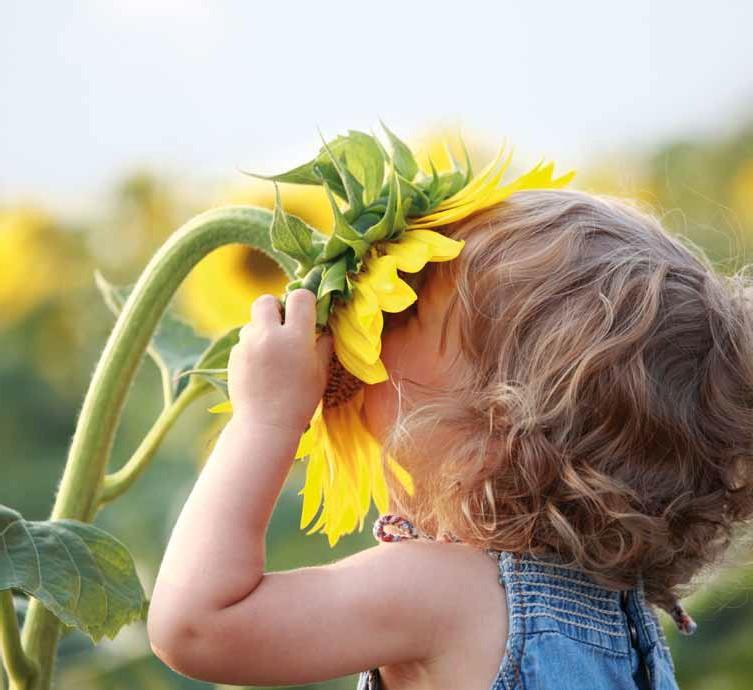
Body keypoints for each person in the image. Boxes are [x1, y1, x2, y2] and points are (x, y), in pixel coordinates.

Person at [147, 189, 753, 690]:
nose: (373, 330)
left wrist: (264, 419)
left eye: (405, 310)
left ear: (495, 430)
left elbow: (198, 626)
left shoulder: (445, 593)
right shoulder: (620, 620)